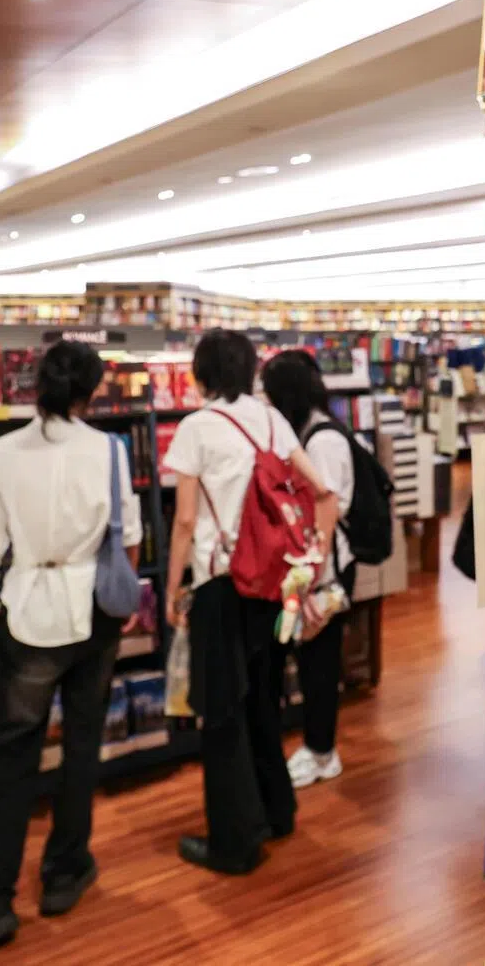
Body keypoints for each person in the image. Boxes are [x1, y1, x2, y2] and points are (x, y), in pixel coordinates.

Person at [0, 341, 142, 949]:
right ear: (92, 391)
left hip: (29, 609)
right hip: (95, 612)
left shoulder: (1, 453)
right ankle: (64, 870)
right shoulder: (110, 450)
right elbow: (127, 533)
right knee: (83, 744)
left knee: (11, 751)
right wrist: (125, 599)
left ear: (35, 388)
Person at [164, 330, 337, 876]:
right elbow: (323, 491)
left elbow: (186, 520)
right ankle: (276, 810)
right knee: (263, 697)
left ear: (200, 373)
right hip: (273, 580)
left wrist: (173, 588)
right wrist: (314, 561)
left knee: (221, 710)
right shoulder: (271, 419)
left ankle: (234, 842)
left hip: (221, 582)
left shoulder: (196, 428)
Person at [261, 350, 355, 788]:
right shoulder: (312, 434)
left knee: (320, 664)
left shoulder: (322, 441)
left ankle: (323, 752)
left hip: (326, 571)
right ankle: (317, 748)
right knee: (313, 659)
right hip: (317, 567)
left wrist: (316, 580)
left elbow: (327, 510)